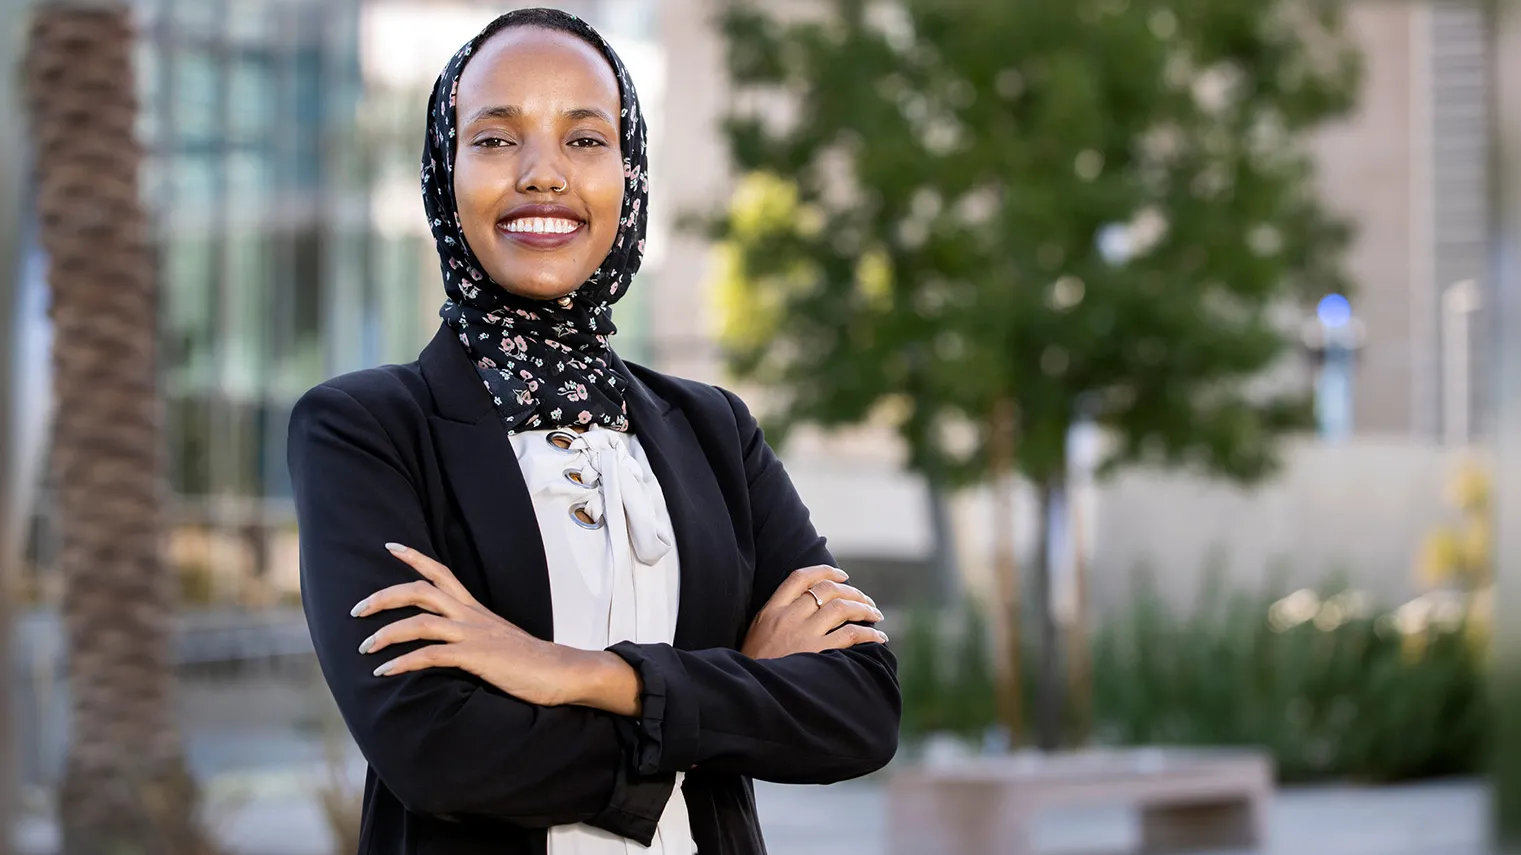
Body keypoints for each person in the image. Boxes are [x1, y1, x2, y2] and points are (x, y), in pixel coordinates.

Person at [286, 8, 901, 854]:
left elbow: (859, 710)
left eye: (584, 140)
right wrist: (738, 695)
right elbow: (438, 753)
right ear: (443, 169)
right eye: (496, 140)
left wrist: (583, 673)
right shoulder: (365, 430)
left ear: (629, 169)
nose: (543, 175)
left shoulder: (713, 430)